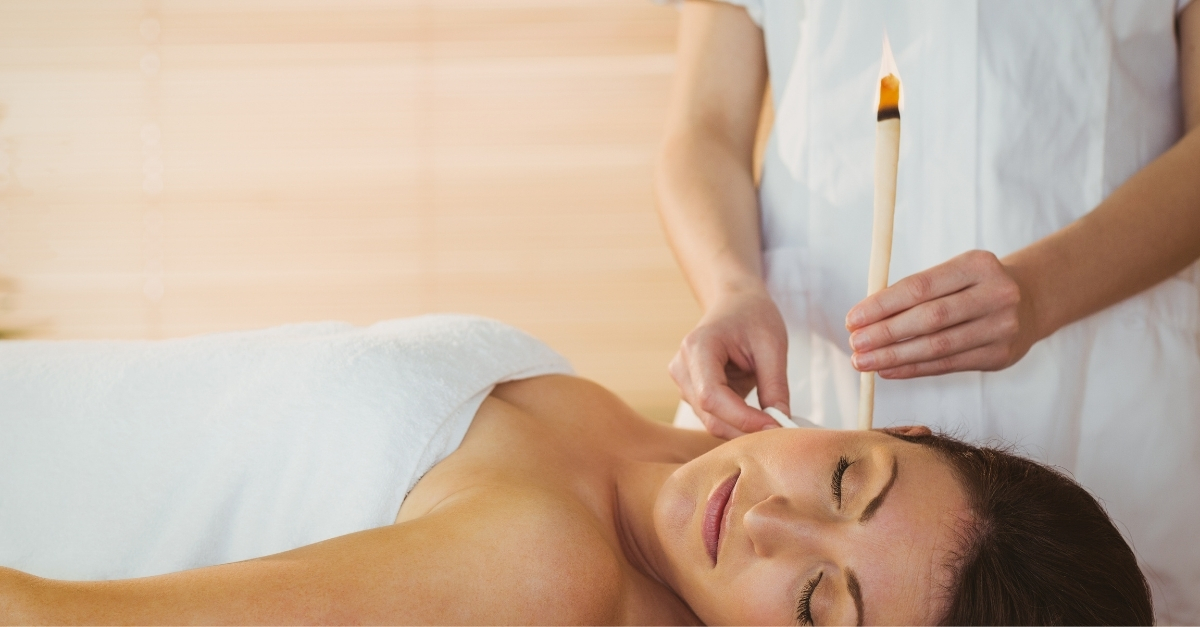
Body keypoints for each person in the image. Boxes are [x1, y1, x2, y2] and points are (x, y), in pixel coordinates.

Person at [0, 316, 1153, 624]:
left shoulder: (545, 586)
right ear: (891, 430)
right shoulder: (673, 460)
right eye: (849, 481)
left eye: (816, 607)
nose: (770, 520)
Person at [655, 1, 1200, 621]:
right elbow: (704, 129)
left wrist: (1046, 289)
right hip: (807, 377)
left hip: (1106, 373)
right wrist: (730, 286)